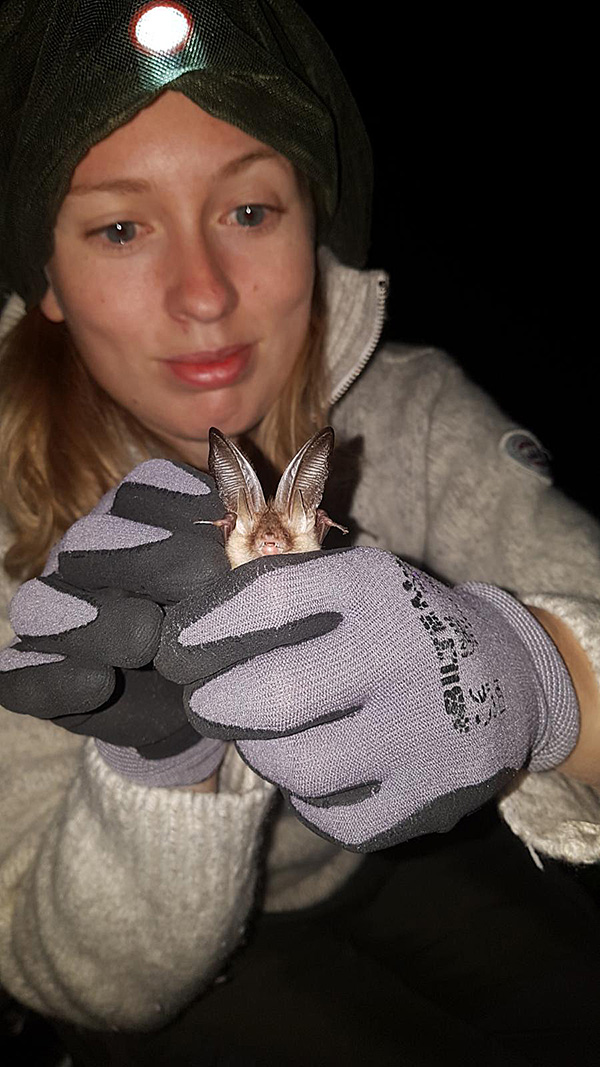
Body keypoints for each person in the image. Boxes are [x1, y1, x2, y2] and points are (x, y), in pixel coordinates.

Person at [0, 2, 599, 1065]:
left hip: (404, 853)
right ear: (44, 273)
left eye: (249, 210)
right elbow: (66, 971)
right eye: (120, 228)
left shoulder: (409, 413)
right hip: (182, 945)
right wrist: (160, 759)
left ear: (312, 223)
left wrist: (539, 675)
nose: (204, 295)